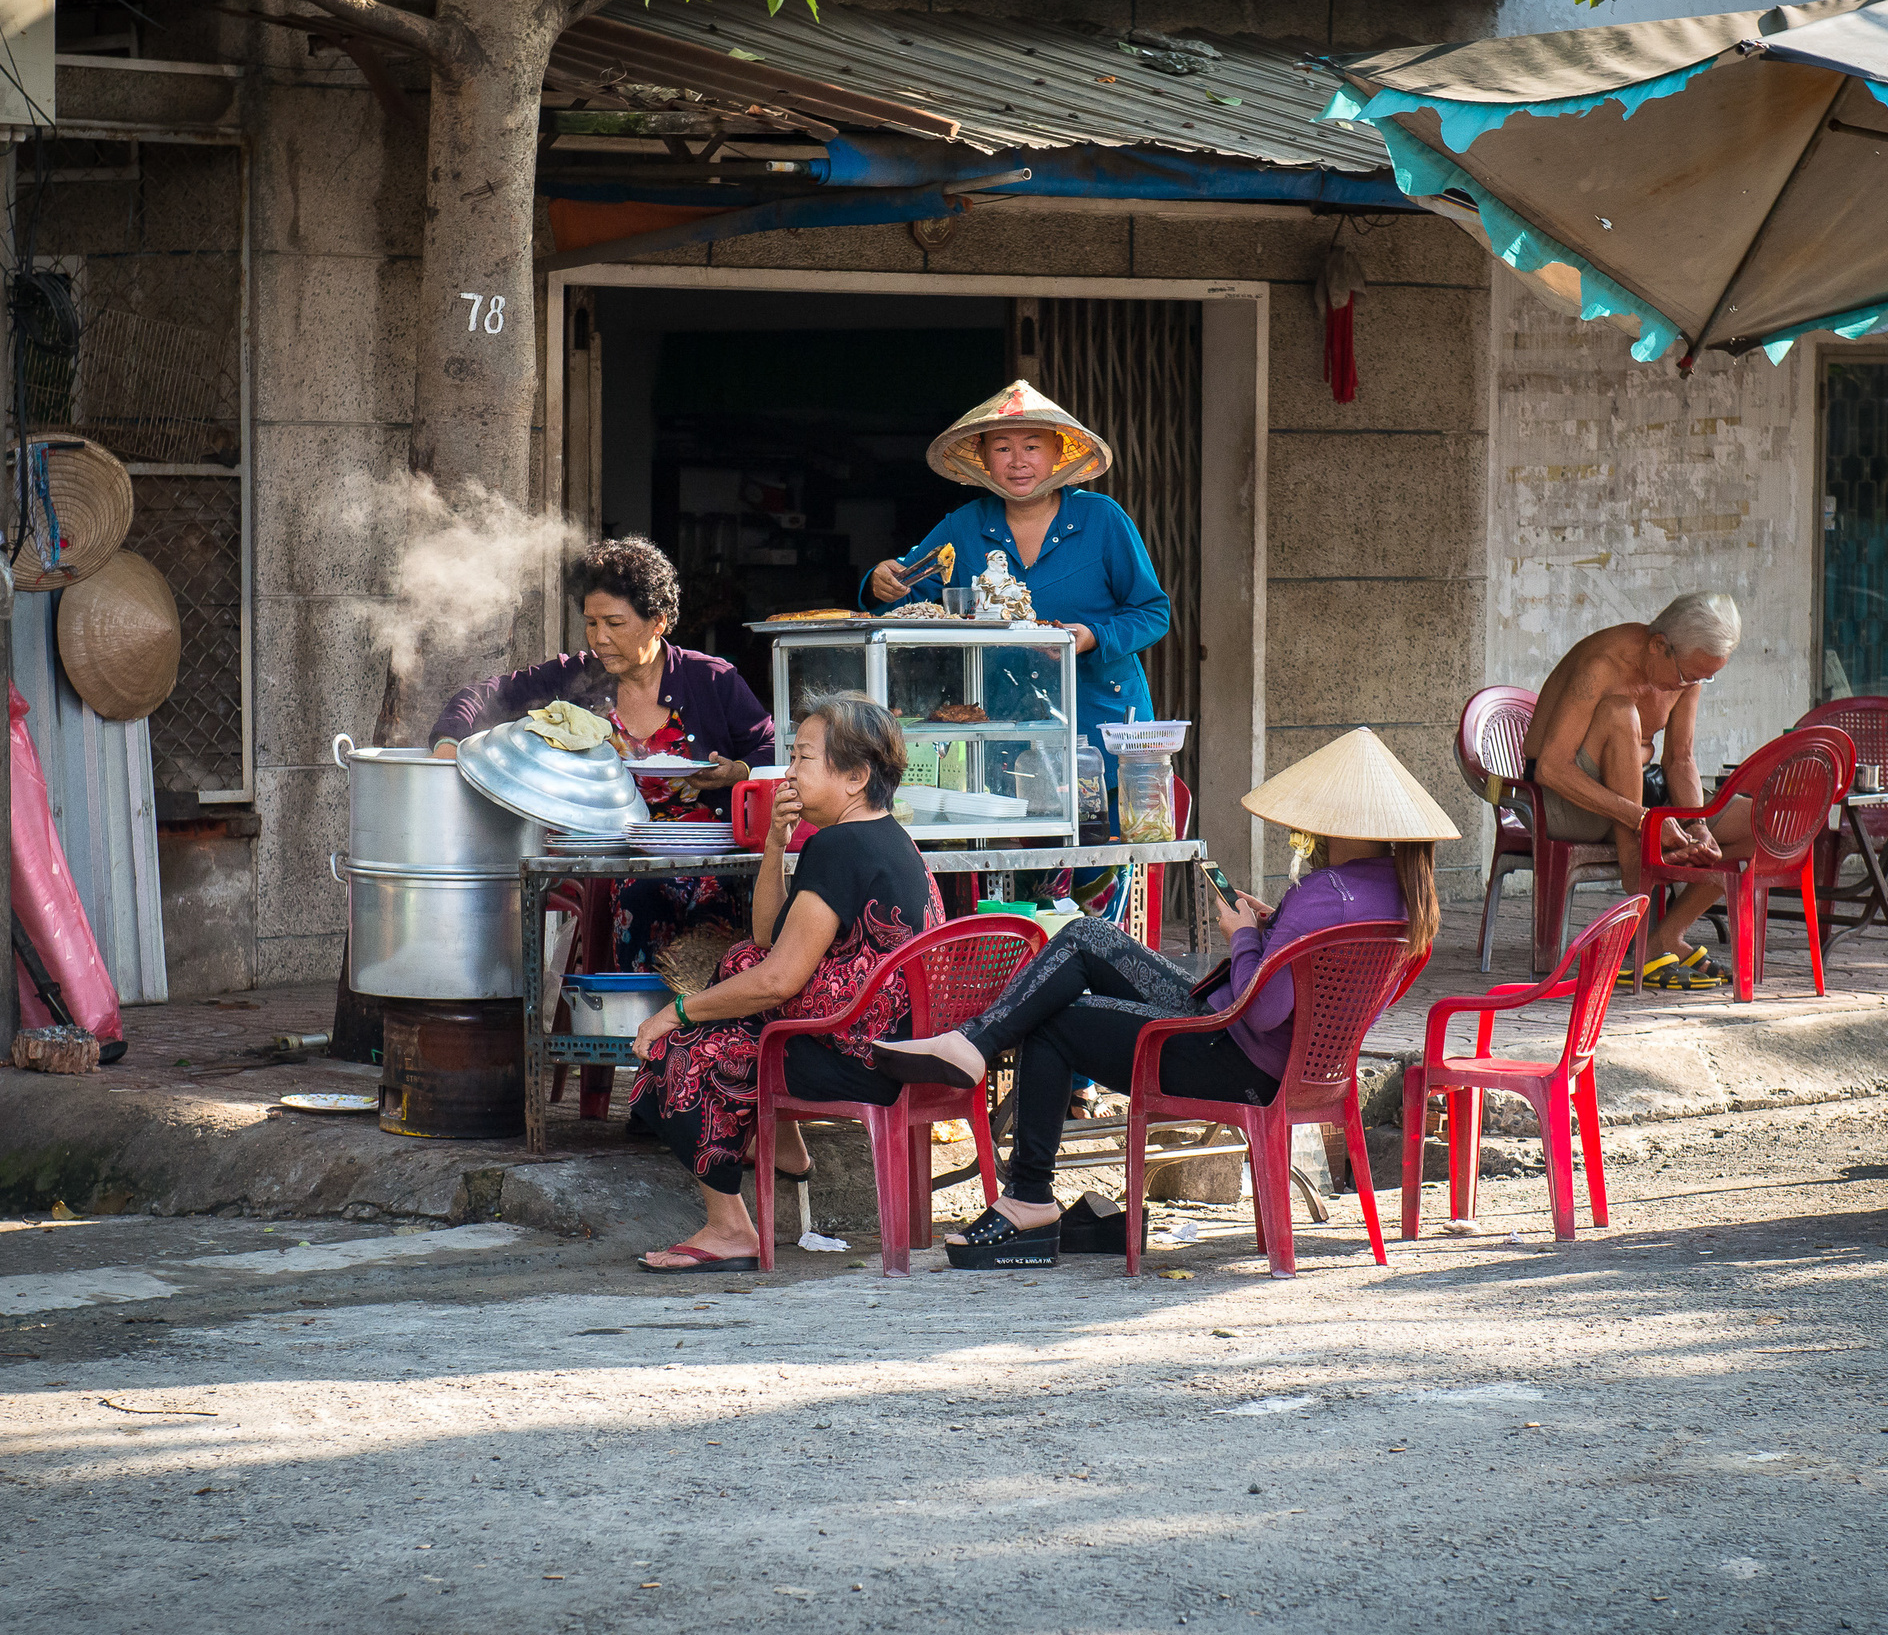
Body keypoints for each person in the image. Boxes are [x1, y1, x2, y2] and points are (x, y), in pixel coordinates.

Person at [868, 727, 1454, 1269]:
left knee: (1055, 1021)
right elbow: (1311, 986)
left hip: (1236, 1056)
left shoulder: (1326, 893)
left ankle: (1027, 1197)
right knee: (1087, 936)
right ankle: (975, 1045)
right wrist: (1280, 936)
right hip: (1290, 1062)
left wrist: (1246, 936)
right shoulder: (1405, 899)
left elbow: (1266, 1005)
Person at [626, 693, 943, 1272]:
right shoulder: (885, 838)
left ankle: (730, 1230)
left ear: (855, 777)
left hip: (860, 1057)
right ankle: (787, 1149)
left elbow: (778, 981)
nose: (788, 772)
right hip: (897, 1049)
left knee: (679, 1053)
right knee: (741, 960)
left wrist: (676, 1011)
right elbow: (771, 940)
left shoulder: (841, 847)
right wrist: (775, 842)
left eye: (802, 758)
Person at [430, 537, 773, 970]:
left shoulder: (711, 680)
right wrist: (447, 743)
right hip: (611, 859)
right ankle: (631, 1026)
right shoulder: (578, 676)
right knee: (637, 894)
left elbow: (773, 748)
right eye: (591, 624)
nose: (599, 638)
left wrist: (737, 770)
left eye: (614, 623)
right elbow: (484, 695)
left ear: (658, 622)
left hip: (707, 859)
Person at [859, 381, 1171, 804]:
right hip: (1003, 727)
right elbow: (908, 596)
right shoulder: (962, 527)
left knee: (1103, 854)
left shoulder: (1102, 520)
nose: (1018, 461)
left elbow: (1151, 612)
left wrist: (1094, 636)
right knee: (1014, 848)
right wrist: (881, 582)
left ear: (1058, 453)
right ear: (985, 459)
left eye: (1032, 446)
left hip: (1102, 722)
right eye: (1002, 448)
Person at [1524, 591, 1743, 989]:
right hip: (1567, 802)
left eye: (1703, 678)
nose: (1692, 684)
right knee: (1620, 714)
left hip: (1635, 797)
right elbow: (1552, 769)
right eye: (1688, 675)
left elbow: (1679, 760)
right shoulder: (1603, 665)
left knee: (1757, 824)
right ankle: (1638, 933)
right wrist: (1643, 819)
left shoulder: (1684, 667)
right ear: (1659, 645)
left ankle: (1665, 937)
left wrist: (1698, 826)